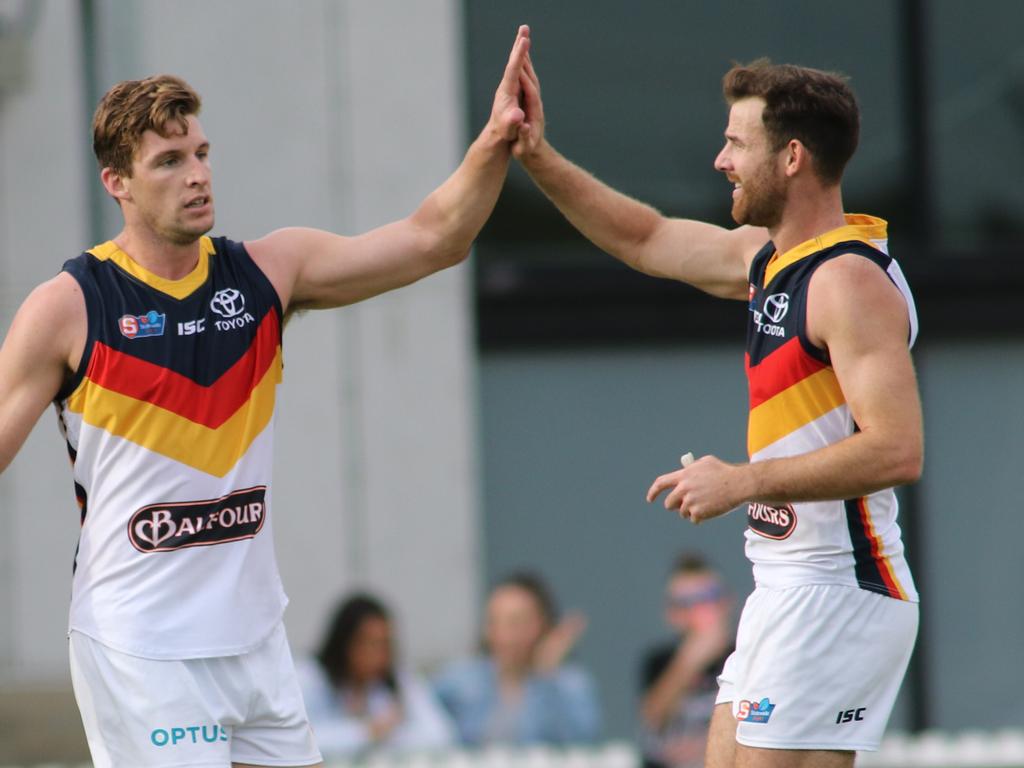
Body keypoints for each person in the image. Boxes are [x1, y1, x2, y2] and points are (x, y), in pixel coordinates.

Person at [0, 24, 533, 768]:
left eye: (201, 154)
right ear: (116, 182)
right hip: (143, 650)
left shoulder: (267, 272)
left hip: (255, 642)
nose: (196, 175)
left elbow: (433, 238)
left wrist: (493, 141)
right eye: (168, 162)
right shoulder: (68, 306)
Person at [512, 54, 922, 768]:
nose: (720, 159)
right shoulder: (772, 261)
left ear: (791, 156)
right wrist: (538, 156)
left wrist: (741, 482)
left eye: (736, 142)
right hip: (782, 586)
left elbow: (897, 451)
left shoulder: (846, 281)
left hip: (838, 588)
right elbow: (645, 238)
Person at [433, 572, 601, 747]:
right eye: (493, 622)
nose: (503, 635)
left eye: (515, 623)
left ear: (542, 624)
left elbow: (580, 745)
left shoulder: (571, 686)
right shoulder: (460, 682)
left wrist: (546, 677)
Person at [294, 593, 455, 759]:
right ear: (345, 643)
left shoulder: (397, 681)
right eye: (371, 644)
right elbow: (300, 740)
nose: (379, 655)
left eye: (385, 644)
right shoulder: (310, 677)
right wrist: (366, 732)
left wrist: (389, 733)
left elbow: (440, 735)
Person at [639, 554, 734, 768]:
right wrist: (690, 661)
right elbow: (652, 717)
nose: (696, 611)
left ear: (726, 601)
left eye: (706, 597)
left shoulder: (745, 657)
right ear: (670, 613)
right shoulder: (659, 660)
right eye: (684, 603)